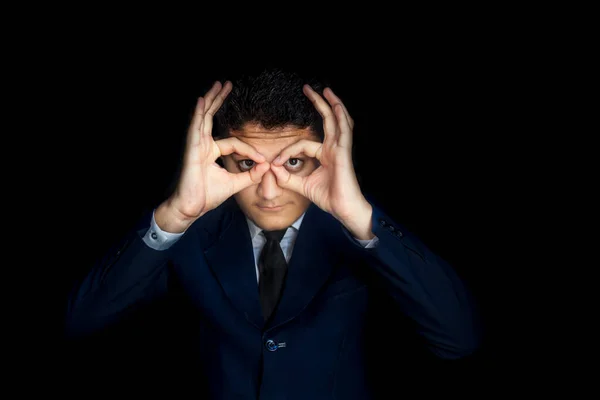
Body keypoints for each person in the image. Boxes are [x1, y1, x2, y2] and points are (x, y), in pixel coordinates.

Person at [64, 67, 481, 398]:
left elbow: (458, 338)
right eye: (246, 163)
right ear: (219, 159)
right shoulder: (191, 231)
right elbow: (82, 322)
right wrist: (175, 214)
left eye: (293, 163)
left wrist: (360, 219)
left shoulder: (358, 233)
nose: (268, 192)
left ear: (323, 157)